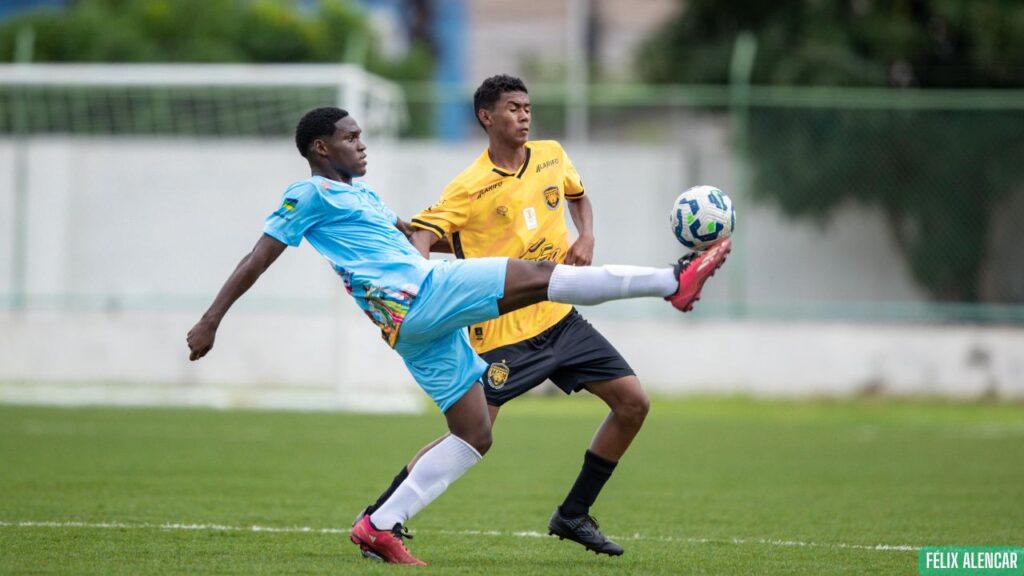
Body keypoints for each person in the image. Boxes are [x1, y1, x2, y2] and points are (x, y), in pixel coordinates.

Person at [185, 106, 731, 566]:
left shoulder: (366, 199)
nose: (362, 145)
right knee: (542, 280)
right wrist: (211, 319)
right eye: (351, 138)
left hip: (414, 326)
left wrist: (474, 251)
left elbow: (411, 236)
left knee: (474, 431)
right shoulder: (308, 194)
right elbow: (257, 257)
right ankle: (672, 282)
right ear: (322, 148)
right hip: (419, 296)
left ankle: (380, 525)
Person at [355, 74, 650, 557]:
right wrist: (418, 276)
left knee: (633, 403)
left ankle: (573, 514)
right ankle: (380, 516)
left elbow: (577, 195)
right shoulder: (470, 186)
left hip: (561, 320)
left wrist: (586, 235)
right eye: (513, 107)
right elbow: (423, 235)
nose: (525, 115)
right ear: (486, 117)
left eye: (528, 106)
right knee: (470, 436)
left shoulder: (552, 154)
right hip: (500, 336)